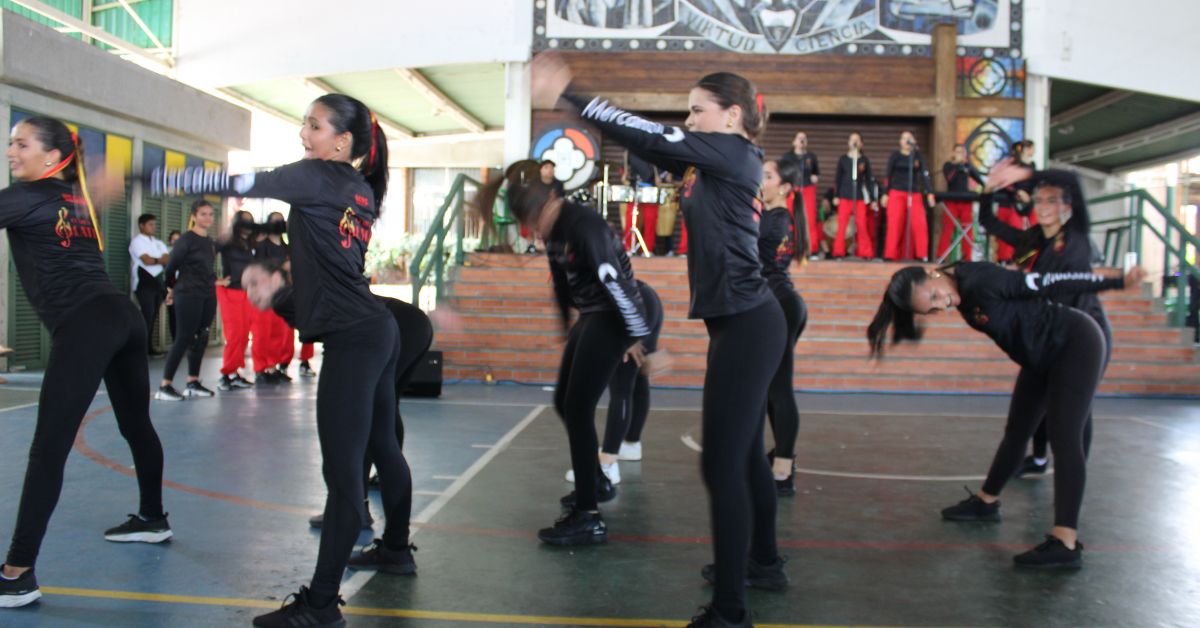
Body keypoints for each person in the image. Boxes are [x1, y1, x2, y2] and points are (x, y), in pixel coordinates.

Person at [533, 54, 788, 627]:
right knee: (746, 456)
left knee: (721, 466)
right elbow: (653, 147)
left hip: (750, 323)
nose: (689, 120)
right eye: (688, 112)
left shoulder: (733, 152)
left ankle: (730, 612)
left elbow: (648, 133)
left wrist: (572, 92)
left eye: (698, 110)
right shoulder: (718, 160)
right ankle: (764, 563)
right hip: (739, 323)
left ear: (733, 116)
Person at [151, 93, 409, 628]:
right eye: (303, 124)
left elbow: (237, 183)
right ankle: (390, 554)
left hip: (356, 341)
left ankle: (321, 607)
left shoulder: (316, 177)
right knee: (378, 451)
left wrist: (149, 174)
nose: (303, 134)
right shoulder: (359, 188)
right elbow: (330, 276)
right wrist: (281, 292)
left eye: (313, 126)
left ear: (341, 141)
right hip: (374, 331)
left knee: (344, 480)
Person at [867, 261, 1144, 569]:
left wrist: (1116, 282)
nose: (943, 305)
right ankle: (986, 503)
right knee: (1017, 431)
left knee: (1065, 438)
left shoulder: (982, 281)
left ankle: (1065, 542)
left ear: (933, 273)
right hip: (1039, 356)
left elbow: (1053, 280)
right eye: (932, 309)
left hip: (1074, 344)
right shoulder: (958, 290)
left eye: (935, 296)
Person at [0, 116, 169, 609]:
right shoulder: (75, 200)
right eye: (10, 143)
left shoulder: (26, 197)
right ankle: (153, 518)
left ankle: (17, 573)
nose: (11, 152)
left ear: (52, 157)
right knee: (136, 426)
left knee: (48, 449)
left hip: (88, 324)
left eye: (21, 144)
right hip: (123, 316)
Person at [481, 160, 651, 546]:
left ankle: (588, 516)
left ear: (551, 203)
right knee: (564, 402)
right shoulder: (555, 230)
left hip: (615, 314)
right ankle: (596, 482)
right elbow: (560, 283)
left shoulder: (584, 225)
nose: (534, 232)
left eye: (534, 222)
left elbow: (616, 281)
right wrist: (565, 329)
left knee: (578, 408)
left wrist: (635, 334)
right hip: (592, 315)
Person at [243, 263, 427, 574]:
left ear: (276, 277)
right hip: (402, 327)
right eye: (245, 286)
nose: (249, 293)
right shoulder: (299, 294)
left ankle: (373, 533)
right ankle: (390, 541)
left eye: (254, 283)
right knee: (381, 432)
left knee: (373, 438)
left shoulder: (294, 295)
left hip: (395, 329)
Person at [978, 162, 1112, 478]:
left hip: (1087, 334)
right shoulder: (1032, 241)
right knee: (1041, 396)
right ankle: (1038, 459)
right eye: (1039, 200)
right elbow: (988, 221)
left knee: (1077, 408)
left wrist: (1028, 175)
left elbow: (1072, 178)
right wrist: (988, 190)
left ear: (1066, 206)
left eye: (1052, 200)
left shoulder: (1077, 233)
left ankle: (1078, 471)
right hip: (1051, 332)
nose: (1044, 206)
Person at [564, 280, 663, 486]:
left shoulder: (575, 274)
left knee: (621, 385)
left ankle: (607, 464)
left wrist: (630, 336)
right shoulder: (574, 275)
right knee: (638, 376)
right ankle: (631, 445)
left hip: (631, 311)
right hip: (645, 302)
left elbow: (612, 296)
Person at [758, 159, 809, 496]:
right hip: (777, 305)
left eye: (767, 176)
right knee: (768, 388)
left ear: (785, 187)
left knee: (778, 388)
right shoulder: (772, 217)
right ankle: (781, 455)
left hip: (780, 307)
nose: (759, 180)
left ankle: (784, 468)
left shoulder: (775, 219)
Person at [156, 200, 218, 401]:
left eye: (210, 214)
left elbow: (207, 269)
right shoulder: (186, 239)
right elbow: (170, 269)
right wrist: (170, 289)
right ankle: (165, 385)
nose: (207, 218)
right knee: (184, 337)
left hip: (207, 293)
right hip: (188, 293)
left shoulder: (210, 242)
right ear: (194, 216)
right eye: (203, 214)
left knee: (202, 336)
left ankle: (193, 382)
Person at [249, 211, 299, 385]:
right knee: (262, 333)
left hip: (283, 294)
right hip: (266, 295)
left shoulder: (287, 247)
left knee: (280, 333)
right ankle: (260, 369)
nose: (278, 224)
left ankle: (272, 367)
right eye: (275, 221)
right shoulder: (262, 246)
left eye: (281, 220)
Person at [215, 210, 258, 391]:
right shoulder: (227, 241)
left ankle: (233, 373)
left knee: (243, 335)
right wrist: (214, 280)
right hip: (230, 291)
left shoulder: (250, 243)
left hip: (246, 293)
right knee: (234, 335)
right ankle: (226, 375)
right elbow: (204, 255)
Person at [880, 131, 936, 261]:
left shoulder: (917, 156)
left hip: (914, 193)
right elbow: (888, 175)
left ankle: (922, 254)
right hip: (896, 192)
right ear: (900, 142)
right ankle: (890, 254)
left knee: (919, 223)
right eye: (904, 138)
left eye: (909, 138)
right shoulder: (895, 155)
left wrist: (930, 193)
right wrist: (885, 193)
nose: (907, 140)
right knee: (895, 224)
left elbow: (924, 175)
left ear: (914, 141)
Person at [831, 132, 878, 259]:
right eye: (852, 140)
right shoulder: (843, 159)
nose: (854, 142)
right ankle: (838, 252)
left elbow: (869, 180)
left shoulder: (864, 160)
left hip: (859, 196)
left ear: (861, 144)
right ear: (848, 143)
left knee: (861, 224)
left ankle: (865, 252)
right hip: (845, 195)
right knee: (842, 225)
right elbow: (838, 179)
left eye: (857, 140)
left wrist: (873, 199)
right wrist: (836, 195)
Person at [129, 213, 170, 355]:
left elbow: (167, 258)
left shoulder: (158, 243)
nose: (153, 227)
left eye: (154, 224)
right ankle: (140, 348)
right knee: (147, 314)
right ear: (142, 226)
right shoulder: (137, 242)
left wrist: (155, 260)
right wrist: (159, 260)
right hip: (144, 283)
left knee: (153, 317)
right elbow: (146, 260)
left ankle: (149, 347)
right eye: (150, 224)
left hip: (158, 283)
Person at [991, 140, 1036, 262]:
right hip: (1008, 203)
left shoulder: (1032, 167)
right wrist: (1018, 192)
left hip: (1024, 205)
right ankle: (1005, 260)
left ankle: (1024, 258)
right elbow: (1004, 183)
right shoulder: (1010, 165)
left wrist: (1029, 197)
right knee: (1006, 232)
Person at [937, 144, 985, 261]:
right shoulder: (948, 166)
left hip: (965, 200)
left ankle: (967, 257)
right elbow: (950, 178)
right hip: (951, 200)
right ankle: (941, 256)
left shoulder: (967, 166)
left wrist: (967, 167)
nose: (960, 154)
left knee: (967, 229)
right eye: (958, 151)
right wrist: (957, 166)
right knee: (948, 229)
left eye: (962, 152)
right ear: (953, 153)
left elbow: (979, 180)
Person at [780, 131, 821, 258]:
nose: (802, 140)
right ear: (794, 142)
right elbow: (782, 172)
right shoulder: (787, 157)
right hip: (792, 189)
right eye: (799, 138)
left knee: (810, 218)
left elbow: (816, 173)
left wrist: (815, 177)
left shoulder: (811, 157)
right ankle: (788, 248)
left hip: (808, 189)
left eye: (804, 138)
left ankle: (811, 249)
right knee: (790, 217)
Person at [166, 229, 181, 341]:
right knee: (174, 316)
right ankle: (175, 341)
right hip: (171, 289)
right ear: (170, 241)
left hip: (186, 289)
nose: (176, 243)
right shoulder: (166, 254)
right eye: (174, 240)